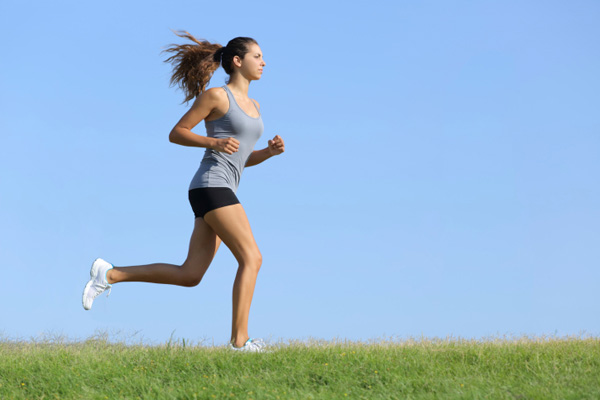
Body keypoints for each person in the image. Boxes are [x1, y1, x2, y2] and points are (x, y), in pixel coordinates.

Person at [82, 31, 285, 353]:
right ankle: (240, 343)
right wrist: (212, 142)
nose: (264, 62)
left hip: (220, 187)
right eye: (257, 56)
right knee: (252, 258)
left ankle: (110, 274)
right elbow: (176, 133)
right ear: (237, 61)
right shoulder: (216, 96)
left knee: (190, 274)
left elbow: (242, 160)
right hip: (211, 186)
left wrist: (269, 153)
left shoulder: (255, 105)